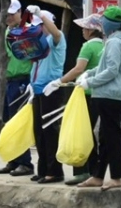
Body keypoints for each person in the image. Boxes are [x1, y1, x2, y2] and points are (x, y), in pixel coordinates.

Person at [77, 6, 121, 190]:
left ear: (111, 23)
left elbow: (112, 70)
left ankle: (117, 177)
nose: (101, 23)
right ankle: (98, 175)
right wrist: (88, 74)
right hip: (113, 94)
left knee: (112, 137)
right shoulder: (119, 41)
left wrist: (91, 82)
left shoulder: (114, 43)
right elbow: (106, 66)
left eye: (104, 20)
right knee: (105, 135)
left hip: (109, 94)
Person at [45, 13, 106, 186]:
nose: (82, 31)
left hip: (85, 94)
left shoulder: (88, 47)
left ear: (90, 30)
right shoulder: (105, 46)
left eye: (84, 28)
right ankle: (93, 170)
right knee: (90, 133)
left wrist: (59, 81)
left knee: (80, 132)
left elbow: (78, 69)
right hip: (100, 93)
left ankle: (82, 171)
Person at [0, 0, 36, 177]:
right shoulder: (6, 32)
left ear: (21, 13)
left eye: (12, 14)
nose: (9, 17)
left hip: (22, 80)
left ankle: (25, 162)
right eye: (7, 14)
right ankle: (14, 159)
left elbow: (32, 55)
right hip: (9, 80)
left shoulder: (26, 32)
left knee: (19, 122)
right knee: (9, 121)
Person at [27, 5, 66, 184]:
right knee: (39, 132)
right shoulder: (39, 44)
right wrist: (31, 85)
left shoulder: (56, 40)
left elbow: (56, 33)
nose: (38, 29)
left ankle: (55, 171)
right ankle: (42, 169)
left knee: (50, 131)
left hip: (51, 89)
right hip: (38, 90)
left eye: (40, 25)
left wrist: (40, 15)